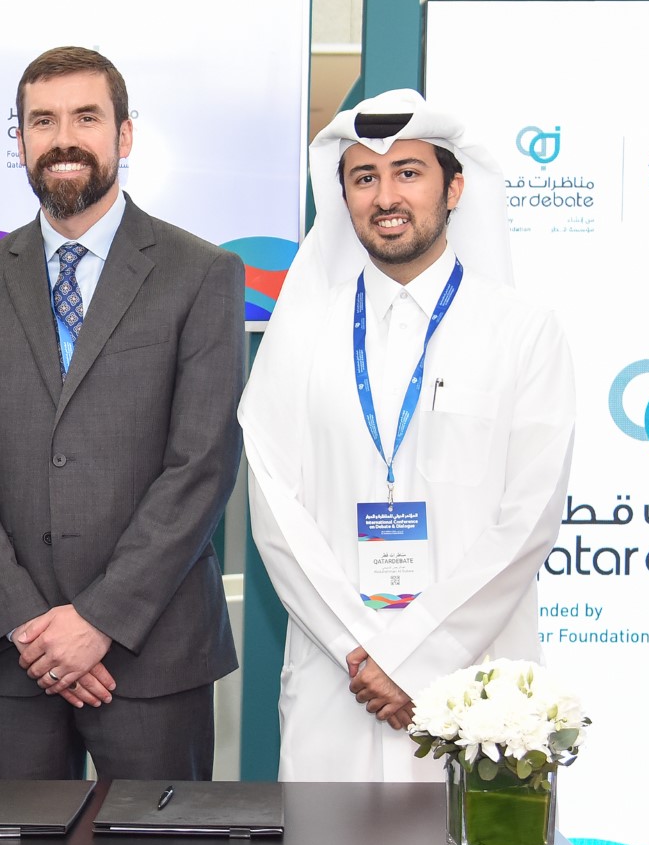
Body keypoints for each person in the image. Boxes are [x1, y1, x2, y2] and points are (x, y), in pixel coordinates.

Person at [0, 46, 246, 781]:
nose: (62, 138)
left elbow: (200, 466)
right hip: (16, 657)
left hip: (153, 650)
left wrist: (98, 621)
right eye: (42, 121)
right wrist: (34, 631)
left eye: (85, 117)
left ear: (124, 136)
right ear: (21, 143)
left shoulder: (202, 274)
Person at [241, 89, 576, 782]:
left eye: (408, 173)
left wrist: (418, 653)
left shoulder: (521, 330)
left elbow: (529, 515)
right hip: (340, 682)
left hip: (476, 686)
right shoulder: (299, 333)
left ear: (454, 187)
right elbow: (276, 511)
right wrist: (363, 649)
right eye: (365, 177)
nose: (385, 195)